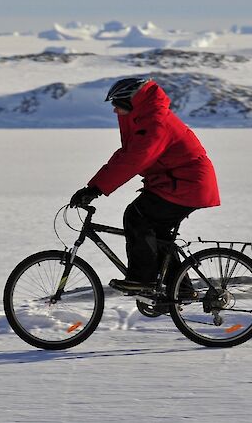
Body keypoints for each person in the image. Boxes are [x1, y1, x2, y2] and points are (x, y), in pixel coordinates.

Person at [69, 77, 220, 293]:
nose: (114, 110)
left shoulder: (155, 123)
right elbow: (125, 155)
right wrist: (93, 186)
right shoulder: (146, 120)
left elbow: (136, 159)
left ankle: (143, 279)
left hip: (187, 185)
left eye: (117, 104)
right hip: (177, 183)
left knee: (137, 215)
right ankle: (182, 289)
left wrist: (96, 190)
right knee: (157, 236)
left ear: (132, 101)